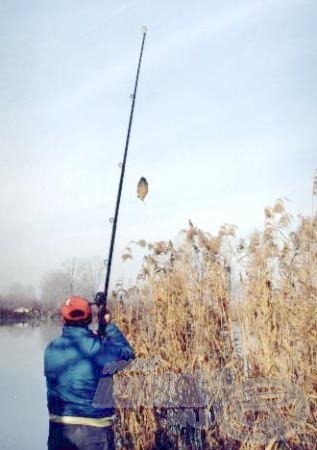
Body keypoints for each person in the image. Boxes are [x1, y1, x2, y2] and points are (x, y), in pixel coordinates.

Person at [44, 294, 134, 450]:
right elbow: (128, 356)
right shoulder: (100, 349)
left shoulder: (51, 349)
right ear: (89, 319)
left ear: (63, 319)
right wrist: (107, 326)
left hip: (60, 430)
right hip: (96, 432)